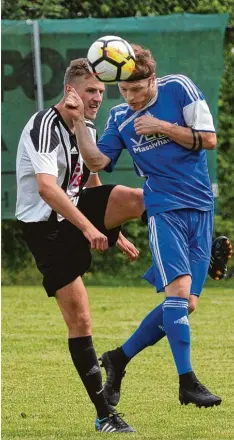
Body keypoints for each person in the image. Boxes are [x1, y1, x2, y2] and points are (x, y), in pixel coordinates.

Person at [65, 44, 233, 410]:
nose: (132, 98)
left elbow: (208, 139)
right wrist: (79, 122)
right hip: (163, 209)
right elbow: (97, 160)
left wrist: (161, 127)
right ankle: (187, 382)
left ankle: (118, 358)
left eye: (137, 90)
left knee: (186, 304)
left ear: (152, 79)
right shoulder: (120, 117)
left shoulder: (179, 88)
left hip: (201, 207)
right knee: (178, 293)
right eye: (124, 91)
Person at [15, 58, 148, 433]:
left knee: (140, 198)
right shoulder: (42, 124)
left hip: (76, 211)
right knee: (81, 321)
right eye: (91, 90)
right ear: (70, 90)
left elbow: (86, 177)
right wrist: (91, 227)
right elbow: (47, 188)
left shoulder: (83, 124)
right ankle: (105, 413)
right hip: (46, 230)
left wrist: (112, 226)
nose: (97, 98)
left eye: (102, 92)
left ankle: (185, 261)